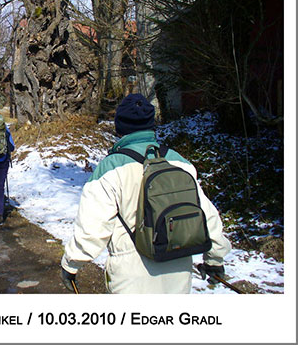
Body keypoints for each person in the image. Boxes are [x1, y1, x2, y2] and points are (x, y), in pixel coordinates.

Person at [60, 94, 231, 294]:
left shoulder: (110, 168)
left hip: (131, 276)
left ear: (120, 127)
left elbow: (93, 229)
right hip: (178, 270)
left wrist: (71, 265)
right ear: (152, 125)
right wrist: (215, 259)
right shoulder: (179, 162)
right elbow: (206, 215)